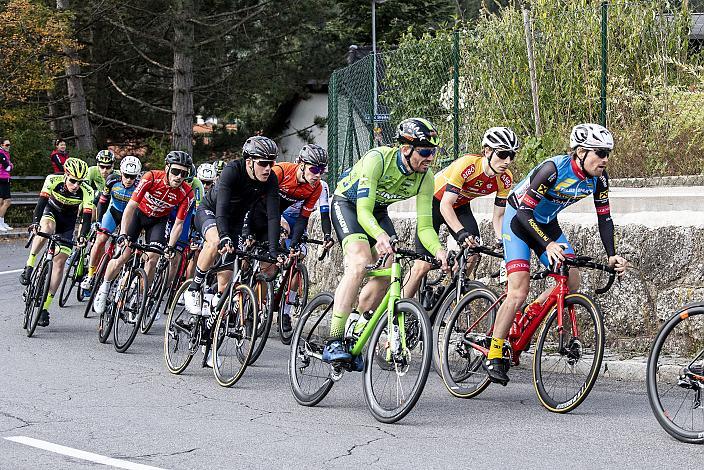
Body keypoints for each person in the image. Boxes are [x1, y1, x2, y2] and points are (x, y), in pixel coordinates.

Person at [486, 123, 629, 385]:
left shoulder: (599, 179)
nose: (605, 159)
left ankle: (532, 311)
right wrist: (547, 245)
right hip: (518, 220)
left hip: (546, 222)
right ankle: (495, 352)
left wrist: (612, 254)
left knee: (572, 280)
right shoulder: (553, 170)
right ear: (581, 152)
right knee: (518, 290)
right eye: (600, 152)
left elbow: (605, 218)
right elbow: (523, 213)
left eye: (608, 153)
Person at [324, 117, 449, 363]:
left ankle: (356, 326)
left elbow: (424, 227)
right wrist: (379, 235)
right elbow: (363, 211)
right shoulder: (378, 159)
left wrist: (438, 250)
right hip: (349, 204)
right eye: (425, 151)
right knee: (360, 263)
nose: (430, 157)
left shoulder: (425, 177)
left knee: (392, 265)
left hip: (377, 210)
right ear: (405, 149)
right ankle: (334, 338)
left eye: (433, 151)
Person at [402, 127, 519, 298]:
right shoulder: (469, 165)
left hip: (460, 206)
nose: (507, 160)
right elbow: (445, 205)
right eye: (502, 154)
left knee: (474, 251)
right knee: (422, 265)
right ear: (487, 151)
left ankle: (448, 296)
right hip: (435, 202)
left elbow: (499, 216)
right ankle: (396, 316)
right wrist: (461, 233)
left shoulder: (505, 178)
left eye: (512, 155)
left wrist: (503, 240)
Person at [184, 136, 281, 315]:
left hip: (235, 222)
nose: (268, 168)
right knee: (215, 242)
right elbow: (221, 208)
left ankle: (209, 323)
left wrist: (274, 251)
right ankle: (194, 288)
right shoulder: (232, 170)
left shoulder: (271, 179)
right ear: (249, 161)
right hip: (211, 212)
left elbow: (273, 216)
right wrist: (225, 235)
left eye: (271, 163)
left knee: (225, 284)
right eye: (263, 163)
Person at [93, 151, 194, 315]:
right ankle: (104, 288)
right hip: (138, 215)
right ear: (167, 168)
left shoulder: (187, 193)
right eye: (176, 171)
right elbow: (131, 206)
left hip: (158, 221)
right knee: (123, 255)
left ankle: (139, 299)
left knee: (152, 258)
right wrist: (124, 234)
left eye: (184, 173)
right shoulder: (151, 177)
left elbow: (178, 224)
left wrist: (170, 246)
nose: (179, 177)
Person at [249, 144, 328, 332]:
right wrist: (277, 224)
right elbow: (259, 197)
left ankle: (286, 310)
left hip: (291, 220)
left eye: (322, 170)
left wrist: (295, 243)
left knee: (296, 255)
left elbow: (305, 218)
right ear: (301, 164)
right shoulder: (281, 171)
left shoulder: (317, 187)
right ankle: (252, 303)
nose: (318, 174)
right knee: (266, 263)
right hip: (267, 214)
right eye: (314, 169)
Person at [20, 158, 94, 326]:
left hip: (67, 223)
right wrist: (35, 222)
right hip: (51, 212)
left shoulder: (87, 191)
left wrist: (82, 236)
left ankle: (44, 308)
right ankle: (29, 265)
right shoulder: (53, 179)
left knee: (60, 264)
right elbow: (41, 203)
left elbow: (87, 217)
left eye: (80, 182)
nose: (76, 185)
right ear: (66, 175)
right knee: (46, 229)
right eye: (73, 181)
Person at [80, 156, 142, 295]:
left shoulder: (140, 185)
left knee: (124, 250)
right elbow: (103, 201)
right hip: (113, 213)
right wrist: (99, 221)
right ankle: (90, 275)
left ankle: (115, 279)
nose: (129, 180)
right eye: (126, 176)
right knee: (100, 239)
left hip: (130, 218)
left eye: (132, 177)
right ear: (121, 172)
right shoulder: (112, 180)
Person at [0, 139, 13, 231]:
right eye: (6, 145)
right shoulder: (1, 154)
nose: (8, 146)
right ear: (2, 145)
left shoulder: (5, 154)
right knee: (6, 202)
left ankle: (2, 222)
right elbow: (8, 167)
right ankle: (0, 223)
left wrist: (10, 165)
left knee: (4, 202)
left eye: (9, 145)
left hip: (6, 179)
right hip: (1, 179)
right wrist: (11, 165)